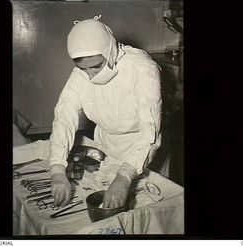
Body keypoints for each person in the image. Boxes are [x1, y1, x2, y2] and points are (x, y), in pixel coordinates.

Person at [48, 15, 162, 209]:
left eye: (96, 67)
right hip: (106, 144)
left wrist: (125, 176)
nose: (90, 76)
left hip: (142, 148)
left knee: (148, 210)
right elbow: (64, 117)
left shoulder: (143, 69)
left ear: (109, 51)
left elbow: (149, 130)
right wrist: (57, 169)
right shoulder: (82, 73)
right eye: (83, 68)